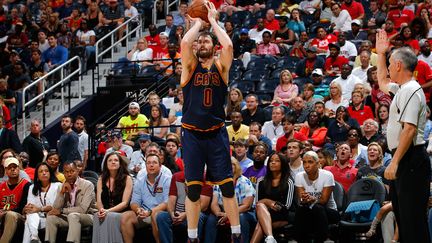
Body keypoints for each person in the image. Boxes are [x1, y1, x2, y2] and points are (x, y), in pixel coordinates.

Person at [180, 2, 241, 242]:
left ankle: (236, 234)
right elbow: (185, 43)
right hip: (193, 135)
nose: (202, 43)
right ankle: (192, 236)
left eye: (207, 41)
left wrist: (213, 22)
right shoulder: (189, 67)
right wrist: (197, 24)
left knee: (227, 187)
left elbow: (228, 45)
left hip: (216, 133)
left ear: (213, 47)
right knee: (193, 189)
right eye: (200, 42)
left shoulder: (221, 67)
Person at [376, 29, 430, 242]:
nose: (388, 67)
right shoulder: (403, 89)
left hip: (410, 159)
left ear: (398, 65)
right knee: (404, 220)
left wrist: (395, 162)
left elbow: (409, 129)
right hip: (406, 158)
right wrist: (381, 54)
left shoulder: (410, 90)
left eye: (390, 63)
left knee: (413, 222)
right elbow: (381, 82)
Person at [120, 153, 171, 243]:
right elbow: (134, 202)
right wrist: (138, 210)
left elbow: (167, 203)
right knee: (126, 216)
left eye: (154, 163)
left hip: (160, 213)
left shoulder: (167, 179)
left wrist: (150, 212)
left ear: (160, 166)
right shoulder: (140, 180)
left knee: (156, 216)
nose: (151, 165)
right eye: (148, 163)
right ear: (145, 165)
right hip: (144, 214)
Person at [205, 157, 256, 243]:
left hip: (244, 212)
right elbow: (214, 204)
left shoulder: (245, 182)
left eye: (230, 165)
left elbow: (247, 206)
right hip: (224, 212)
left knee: (241, 217)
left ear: (236, 167)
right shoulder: (219, 182)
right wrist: (218, 213)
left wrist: (228, 215)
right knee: (211, 218)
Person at [45, 161, 96, 243]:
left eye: (72, 171)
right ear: (63, 173)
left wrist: (62, 211)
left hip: (88, 216)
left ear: (77, 171)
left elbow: (83, 209)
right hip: (69, 217)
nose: (69, 174)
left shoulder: (87, 185)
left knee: (73, 216)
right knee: (51, 217)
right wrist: (61, 193)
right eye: (66, 172)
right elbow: (56, 209)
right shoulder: (61, 186)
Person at [295, 151, 340, 242]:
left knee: (317, 207)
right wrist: (304, 199)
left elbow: (323, 201)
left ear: (318, 163)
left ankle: (321, 239)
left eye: (310, 162)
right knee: (301, 209)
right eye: (304, 162)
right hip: (309, 210)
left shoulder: (327, 175)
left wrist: (312, 199)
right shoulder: (299, 176)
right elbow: (301, 200)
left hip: (330, 212)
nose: (306, 165)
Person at [250, 152, 295, 243]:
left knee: (261, 224)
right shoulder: (261, 181)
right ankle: (270, 238)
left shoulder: (288, 182)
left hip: (284, 214)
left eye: (277, 161)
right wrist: (268, 202)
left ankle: (270, 238)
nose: (273, 163)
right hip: (264, 212)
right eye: (271, 161)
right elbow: (257, 203)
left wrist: (266, 202)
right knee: (261, 210)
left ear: (283, 164)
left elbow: (286, 206)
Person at [157, 170, 212, 243]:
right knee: (161, 216)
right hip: (179, 213)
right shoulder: (177, 176)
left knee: (198, 216)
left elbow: (204, 205)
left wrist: (186, 215)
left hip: (196, 212)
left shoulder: (205, 178)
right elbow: (171, 200)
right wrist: (172, 214)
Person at [93, 152, 133, 243]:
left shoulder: (127, 178)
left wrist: (107, 211)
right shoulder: (101, 179)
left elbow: (125, 203)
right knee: (96, 216)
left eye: (116, 160)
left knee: (110, 216)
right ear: (106, 164)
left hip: (122, 212)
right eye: (110, 160)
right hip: (105, 211)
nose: (113, 162)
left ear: (120, 163)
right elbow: (99, 201)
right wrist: (101, 210)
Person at [23, 162, 62, 243]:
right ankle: (34, 236)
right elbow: (30, 207)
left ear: (50, 173)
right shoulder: (32, 187)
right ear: (37, 176)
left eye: (46, 171)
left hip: (51, 217)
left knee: (29, 223)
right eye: (41, 171)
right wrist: (27, 209)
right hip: (36, 219)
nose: (44, 173)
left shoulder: (58, 185)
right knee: (31, 215)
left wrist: (40, 209)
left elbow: (56, 206)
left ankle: (34, 238)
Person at [0, 157, 30, 242]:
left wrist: (5, 212)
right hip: (3, 214)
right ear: (5, 170)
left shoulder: (26, 185)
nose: (13, 169)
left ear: (19, 168)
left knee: (10, 215)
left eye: (15, 167)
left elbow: (22, 207)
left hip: (19, 216)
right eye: (9, 167)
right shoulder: (1, 186)